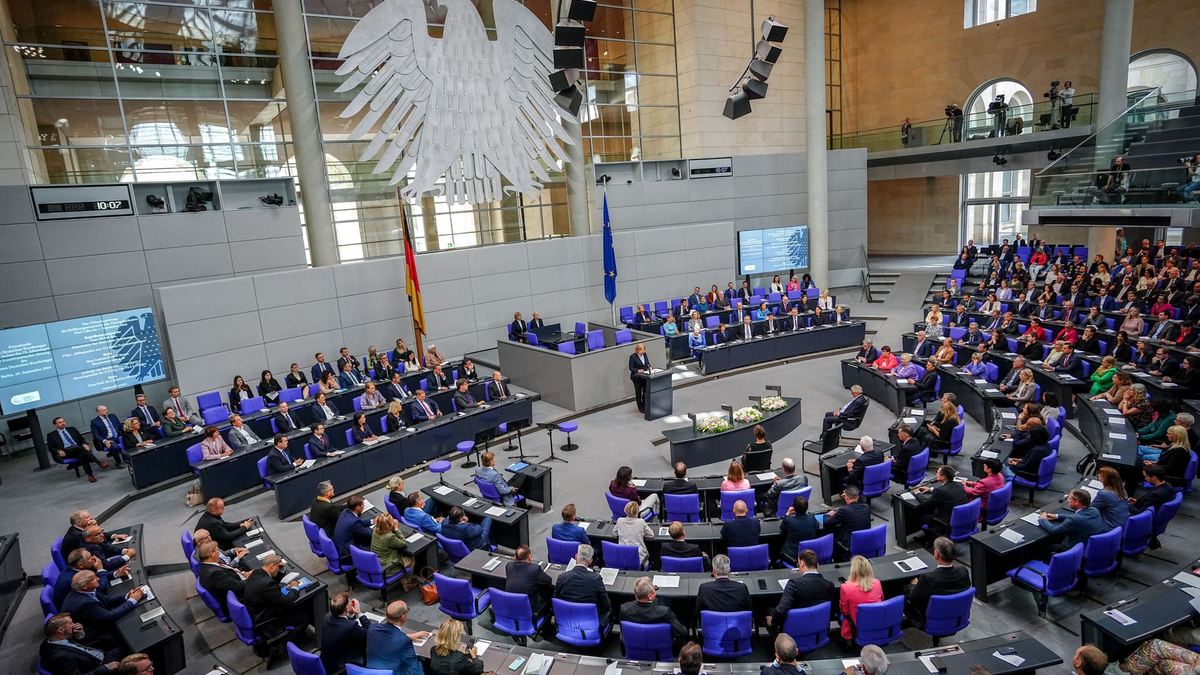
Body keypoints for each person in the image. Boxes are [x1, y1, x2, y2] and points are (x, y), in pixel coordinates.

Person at [61, 571, 144, 649]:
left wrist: (127, 596)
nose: (98, 578)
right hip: (96, 636)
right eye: (94, 578)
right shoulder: (84, 603)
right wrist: (132, 601)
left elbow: (105, 599)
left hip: (99, 622)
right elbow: (110, 617)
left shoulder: (85, 591)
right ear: (84, 586)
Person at [904, 537, 971, 624]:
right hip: (956, 615)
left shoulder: (928, 578)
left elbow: (913, 599)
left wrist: (914, 584)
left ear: (936, 554)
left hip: (931, 618)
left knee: (900, 587)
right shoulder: (963, 571)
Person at [40, 613, 125, 675]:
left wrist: (79, 635)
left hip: (99, 654)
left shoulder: (53, 639)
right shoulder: (60, 659)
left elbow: (78, 647)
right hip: (100, 665)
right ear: (61, 630)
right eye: (70, 623)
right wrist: (106, 668)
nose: (74, 624)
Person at [365, 600, 432, 675]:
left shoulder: (373, 628)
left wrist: (408, 636)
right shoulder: (404, 641)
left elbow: (386, 640)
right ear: (403, 617)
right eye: (407, 610)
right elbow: (413, 668)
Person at [554, 544, 611, 626]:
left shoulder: (562, 577)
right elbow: (606, 605)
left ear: (576, 557)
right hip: (590, 624)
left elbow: (556, 601)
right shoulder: (596, 579)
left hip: (566, 623)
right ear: (590, 561)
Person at [1038, 489, 1106, 552]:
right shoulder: (1095, 510)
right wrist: (1057, 516)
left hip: (1074, 550)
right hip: (1092, 547)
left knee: (1041, 548)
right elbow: (1079, 516)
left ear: (1077, 502)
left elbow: (1054, 530)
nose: (1067, 501)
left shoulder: (1075, 519)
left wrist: (1043, 519)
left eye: (1070, 498)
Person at [913, 466, 969, 541]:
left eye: (938, 473)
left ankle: (929, 539)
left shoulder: (941, 491)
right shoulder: (959, 485)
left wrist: (917, 493)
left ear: (943, 477)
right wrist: (931, 489)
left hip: (945, 522)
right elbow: (947, 491)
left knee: (920, 514)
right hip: (960, 519)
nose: (936, 474)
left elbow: (926, 504)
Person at [321, 592, 371, 674]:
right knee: (365, 642)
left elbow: (343, 622)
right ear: (347, 608)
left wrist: (350, 614)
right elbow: (369, 632)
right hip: (340, 668)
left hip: (325, 663)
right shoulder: (350, 627)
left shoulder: (327, 617)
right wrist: (359, 613)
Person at [46, 417, 106, 481]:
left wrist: (84, 444)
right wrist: (58, 451)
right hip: (66, 451)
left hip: (78, 449)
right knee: (80, 448)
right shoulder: (51, 435)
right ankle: (98, 462)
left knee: (81, 455)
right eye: (60, 422)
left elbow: (81, 439)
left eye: (63, 421)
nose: (63, 423)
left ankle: (90, 475)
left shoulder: (72, 429)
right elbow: (51, 448)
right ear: (55, 425)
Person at [197, 541, 248, 615]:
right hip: (239, 599)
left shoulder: (206, 565)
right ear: (212, 553)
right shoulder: (215, 573)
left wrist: (243, 573)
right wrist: (253, 578)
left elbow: (229, 577)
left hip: (235, 583)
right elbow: (237, 586)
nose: (219, 552)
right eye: (217, 550)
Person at [839, 556, 882, 641]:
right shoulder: (877, 583)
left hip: (857, 627)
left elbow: (845, 611)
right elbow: (882, 602)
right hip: (876, 623)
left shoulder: (846, 587)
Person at [824, 486, 871, 561]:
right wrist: (846, 498)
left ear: (846, 497)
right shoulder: (866, 507)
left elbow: (827, 523)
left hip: (847, 545)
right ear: (858, 496)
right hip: (864, 541)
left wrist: (828, 514)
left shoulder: (843, 511)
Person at [505, 545, 553, 614]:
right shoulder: (535, 569)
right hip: (529, 610)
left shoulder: (509, 566)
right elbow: (548, 581)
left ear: (515, 557)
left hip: (511, 606)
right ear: (529, 558)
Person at [778, 495, 821, 567]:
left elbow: (782, 528)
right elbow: (817, 527)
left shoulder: (789, 520)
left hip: (793, 556)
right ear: (807, 508)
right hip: (809, 554)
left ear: (794, 508)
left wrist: (787, 514)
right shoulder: (812, 518)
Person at [333, 495, 373, 560]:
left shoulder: (345, 512)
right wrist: (379, 527)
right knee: (376, 547)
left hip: (340, 547)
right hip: (347, 554)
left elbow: (359, 522)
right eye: (363, 505)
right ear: (358, 507)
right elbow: (369, 534)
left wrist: (372, 521)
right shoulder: (354, 522)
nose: (364, 506)